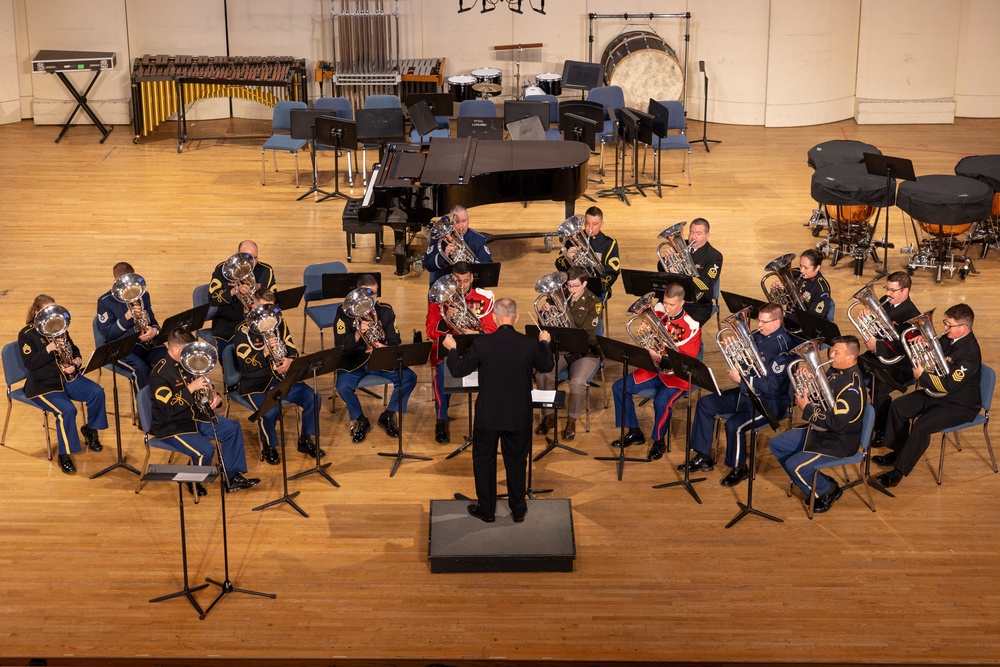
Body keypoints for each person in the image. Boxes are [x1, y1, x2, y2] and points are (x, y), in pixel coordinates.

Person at [443, 297, 554, 523]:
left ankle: (486, 510)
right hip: (518, 414)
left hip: (488, 414)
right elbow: (547, 365)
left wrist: (452, 349)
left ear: (494, 317)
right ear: (516, 317)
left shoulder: (482, 344)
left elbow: (457, 370)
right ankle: (518, 508)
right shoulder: (529, 343)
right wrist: (544, 342)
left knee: (484, 461)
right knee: (516, 461)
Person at [679, 302, 796, 486]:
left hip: (769, 404)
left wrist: (742, 380)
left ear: (777, 322)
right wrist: (733, 354)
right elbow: (748, 365)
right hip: (746, 394)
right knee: (705, 404)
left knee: (735, 425)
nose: (759, 325)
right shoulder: (758, 335)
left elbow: (772, 386)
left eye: (765, 322)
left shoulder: (783, 348)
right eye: (759, 320)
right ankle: (704, 456)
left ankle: (739, 468)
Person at [872, 304, 981, 489]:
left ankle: (898, 473)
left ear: (964, 327)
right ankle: (899, 451)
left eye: (949, 325)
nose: (945, 328)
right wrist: (925, 344)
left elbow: (949, 385)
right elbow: (937, 355)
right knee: (898, 407)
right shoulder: (950, 338)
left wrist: (922, 376)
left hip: (959, 404)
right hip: (937, 395)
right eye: (945, 323)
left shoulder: (969, 354)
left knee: (921, 427)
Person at [149, 328, 259, 493]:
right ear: (175, 350)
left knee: (232, 428)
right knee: (205, 450)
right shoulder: (159, 374)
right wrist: (190, 389)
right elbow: (168, 408)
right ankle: (193, 481)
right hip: (172, 426)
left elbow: (204, 385)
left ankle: (233, 476)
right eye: (187, 351)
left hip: (195, 416)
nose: (191, 355)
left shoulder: (187, 362)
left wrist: (215, 396)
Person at [769, 335, 867, 513]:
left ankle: (826, 491)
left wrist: (806, 408)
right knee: (776, 444)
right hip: (822, 430)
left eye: (836, 352)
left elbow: (837, 424)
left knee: (794, 465)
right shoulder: (835, 370)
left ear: (851, 357)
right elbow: (823, 397)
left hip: (838, 441)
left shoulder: (852, 388)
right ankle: (821, 483)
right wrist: (810, 380)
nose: (831, 355)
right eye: (831, 350)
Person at [611, 282, 701, 460]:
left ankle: (659, 441)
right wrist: (646, 337)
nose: (666, 307)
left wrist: (658, 356)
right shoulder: (659, 312)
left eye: (672, 304)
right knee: (619, 387)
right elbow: (650, 341)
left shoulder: (692, 326)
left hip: (677, 378)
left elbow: (685, 363)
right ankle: (634, 432)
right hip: (655, 371)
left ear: (682, 303)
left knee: (661, 402)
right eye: (665, 302)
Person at [19, 295, 107, 475]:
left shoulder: (59, 328)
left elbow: (73, 349)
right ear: (37, 313)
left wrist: (76, 362)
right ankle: (64, 455)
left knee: (97, 392)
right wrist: (49, 349)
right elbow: (30, 364)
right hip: (43, 386)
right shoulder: (26, 335)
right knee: (67, 410)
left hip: (67, 379)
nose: (53, 315)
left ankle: (90, 430)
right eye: (48, 311)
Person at [234, 289, 322, 465]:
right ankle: (268, 446)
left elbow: (292, 349)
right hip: (255, 384)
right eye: (264, 309)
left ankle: (305, 439)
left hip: (280, 379)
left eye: (271, 309)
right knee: (270, 411)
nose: (269, 314)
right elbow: (244, 365)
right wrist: (264, 353)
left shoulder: (279, 324)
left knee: (313, 397)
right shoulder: (242, 331)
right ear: (253, 307)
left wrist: (290, 361)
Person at [333, 275, 417, 443]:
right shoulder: (343, 312)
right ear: (358, 294)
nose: (373, 298)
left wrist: (382, 348)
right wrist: (358, 333)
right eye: (369, 294)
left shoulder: (385, 310)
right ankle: (360, 419)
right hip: (354, 362)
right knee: (342, 387)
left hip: (380, 359)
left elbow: (395, 340)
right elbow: (340, 345)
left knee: (409, 377)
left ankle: (388, 415)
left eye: (375, 293)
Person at [426, 262, 498, 444]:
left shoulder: (484, 300)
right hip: (448, 349)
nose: (462, 285)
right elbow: (430, 331)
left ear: (472, 278)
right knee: (442, 374)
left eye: (466, 281)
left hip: (476, 350)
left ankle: (489, 419)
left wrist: (475, 333)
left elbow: (491, 330)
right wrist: (447, 321)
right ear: (451, 278)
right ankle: (441, 420)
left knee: (495, 372)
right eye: (458, 281)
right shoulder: (440, 300)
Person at [534, 267, 602, 441]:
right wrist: (545, 311)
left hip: (585, 352)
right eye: (569, 286)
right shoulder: (560, 295)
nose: (571, 290)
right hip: (563, 348)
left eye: (575, 286)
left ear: (584, 284)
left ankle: (571, 421)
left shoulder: (593, 303)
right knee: (543, 373)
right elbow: (547, 326)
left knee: (577, 382)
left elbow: (588, 337)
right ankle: (548, 417)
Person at [856, 271, 920, 447]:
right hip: (880, 357)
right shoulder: (887, 301)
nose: (888, 293)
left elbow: (905, 348)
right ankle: (855, 418)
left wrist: (877, 346)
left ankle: (882, 430)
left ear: (905, 291)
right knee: (851, 371)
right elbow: (879, 329)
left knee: (879, 391)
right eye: (887, 288)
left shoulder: (912, 318)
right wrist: (868, 318)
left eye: (893, 290)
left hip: (900, 365)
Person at [96, 262, 163, 389]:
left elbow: (153, 321)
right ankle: (145, 407)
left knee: (169, 359)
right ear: (115, 281)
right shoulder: (105, 301)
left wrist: (154, 331)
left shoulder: (143, 294)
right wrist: (127, 317)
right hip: (123, 349)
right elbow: (109, 334)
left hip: (147, 344)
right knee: (141, 369)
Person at [210, 240, 276, 356]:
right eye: (247, 258)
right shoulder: (222, 270)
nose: (252, 263)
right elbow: (212, 298)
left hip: (257, 325)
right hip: (229, 326)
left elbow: (273, 301)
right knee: (230, 360)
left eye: (255, 258)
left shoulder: (266, 270)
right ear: (237, 254)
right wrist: (233, 292)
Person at [658, 218, 723, 326]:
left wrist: (681, 277)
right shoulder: (680, 246)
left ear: (707, 235)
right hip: (672, 298)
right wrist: (667, 259)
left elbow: (706, 284)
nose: (693, 237)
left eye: (698, 233)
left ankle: (695, 343)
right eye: (691, 232)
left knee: (682, 328)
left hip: (697, 304)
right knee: (656, 323)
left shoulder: (714, 256)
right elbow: (661, 268)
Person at [554, 205, 621, 299]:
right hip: (572, 285)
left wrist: (600, 286)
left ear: (602, 224)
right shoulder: (573, 240)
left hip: (596, 288)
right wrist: (567, 258)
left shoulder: (609, 243)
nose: (590, 228)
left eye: (595, 224)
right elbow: (558, 265)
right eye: (587, 223)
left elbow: (613, 272)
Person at [423, 205, 493, 286]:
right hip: (445, 286)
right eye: (457, 222)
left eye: (464, 221)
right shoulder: (439, 239)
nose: (461, 226)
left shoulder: (478, 239)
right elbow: (428, 264)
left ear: (468, 220)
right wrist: (444, 257)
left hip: (469, 286)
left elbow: (486, 264)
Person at [793, 248, 833, 319]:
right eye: (800, 266)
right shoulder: (794, 273)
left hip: (805, 323)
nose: (801, 270)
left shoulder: (822, 288)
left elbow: (814, 318)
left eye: (806, 268)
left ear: (817, 268)